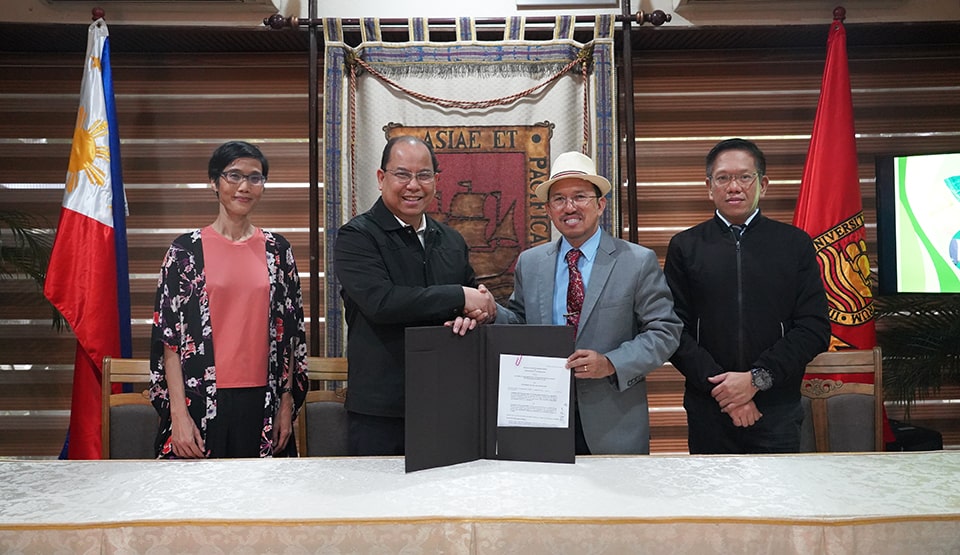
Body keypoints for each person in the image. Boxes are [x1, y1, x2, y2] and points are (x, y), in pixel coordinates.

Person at [453, 151, 682, 455]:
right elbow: (522, 325)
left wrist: (612, 362)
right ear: (548, 209)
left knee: (613, 503)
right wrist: (493, 311)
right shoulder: (531, 263)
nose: (569, 207)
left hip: (612, 422)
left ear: (600, 204)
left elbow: (665, 331)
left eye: (580, 197)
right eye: (559, 199)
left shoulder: (637, 261)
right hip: (540, 415)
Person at [663, 138, 830, 454]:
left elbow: (814, 328)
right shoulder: (685, 247)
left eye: (744, 176)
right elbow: (672, 331)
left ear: (763, 184)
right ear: (709, 186)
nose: (734, 186)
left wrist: (756, 380)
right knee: (711, 502)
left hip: (776, 409)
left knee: (777, 500)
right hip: (708, 410)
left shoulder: (794, 244)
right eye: (723, 178)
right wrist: (727, 393)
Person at [333, 135, 497, 456]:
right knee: (380, 504)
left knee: (447, 502)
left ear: (436, 181)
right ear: (382, 179)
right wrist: (458, 296)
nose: (413, 185)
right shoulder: (357, 236)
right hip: (380, 411)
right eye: (402, 174)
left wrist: (477, 313)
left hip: (448, 402)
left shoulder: (451, 240)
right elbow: (381, 303)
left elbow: (470, 299)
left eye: (423, 175)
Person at [149, 141, 308, 459]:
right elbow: (169, 341)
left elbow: (290, 337)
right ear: (214, 181)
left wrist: (287, 402)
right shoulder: (185, 252)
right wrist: (178, 415)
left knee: (263, 502)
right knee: (199, 502)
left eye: (255, 178)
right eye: (234, 175)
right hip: (200, 400)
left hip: (265, 399)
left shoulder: (278, 251)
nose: (244, 186)